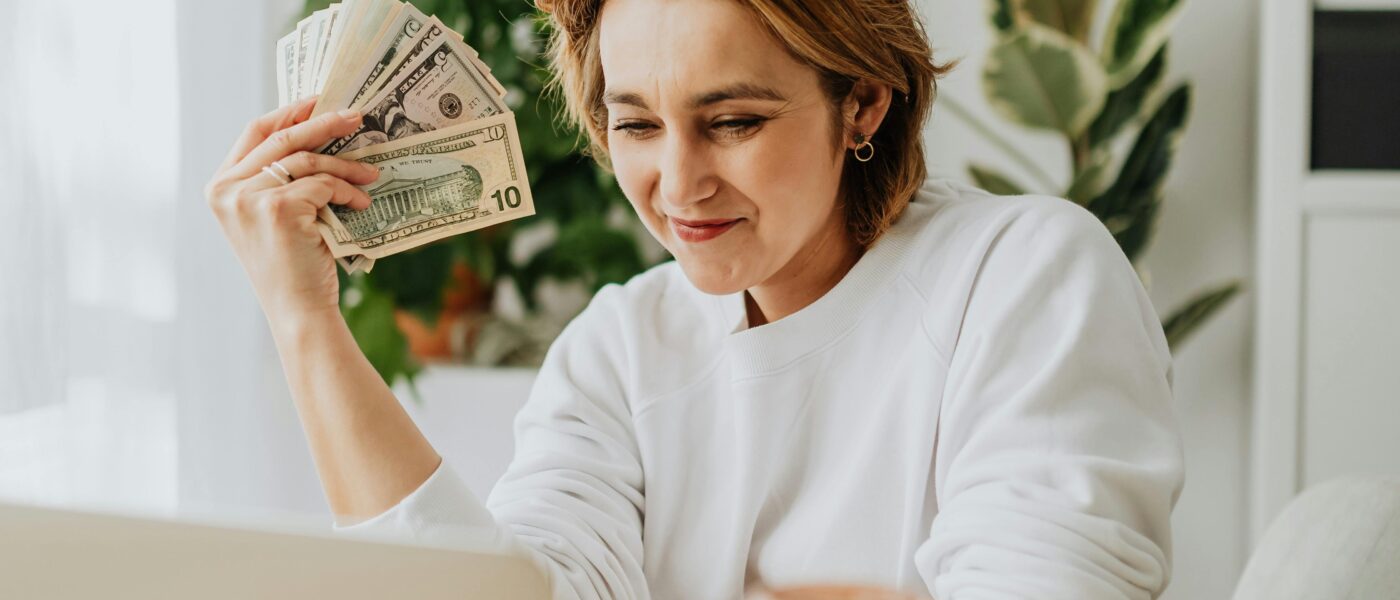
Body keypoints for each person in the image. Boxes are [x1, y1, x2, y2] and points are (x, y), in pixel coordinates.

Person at [204, 0, 1184, 598]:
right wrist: (305, 321)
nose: (677, 185)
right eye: (635, 125)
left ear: (863, 103)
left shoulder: (1023, 275)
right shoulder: (620, 350)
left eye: (733, 121)